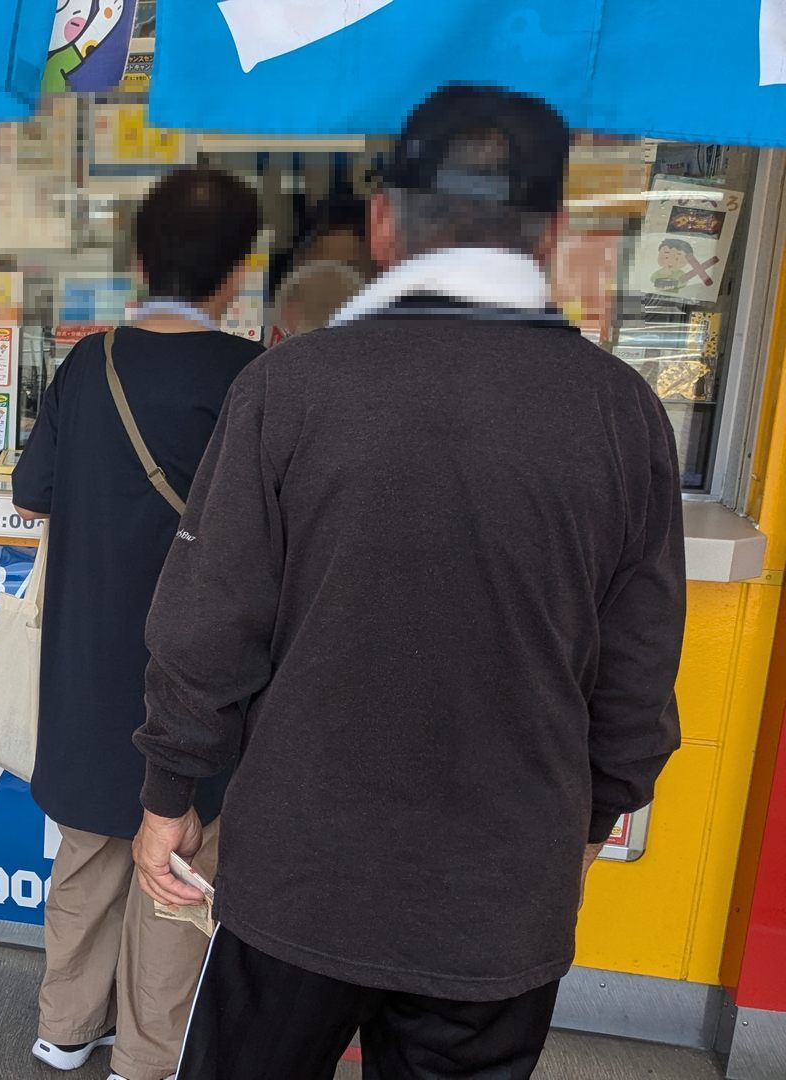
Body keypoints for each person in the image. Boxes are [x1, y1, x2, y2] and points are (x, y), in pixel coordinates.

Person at [131, 85, 684, 1079]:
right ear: (553, 233)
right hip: (503, 893)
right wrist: (593, 813)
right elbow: (639, 670)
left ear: (385, 222)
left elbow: (208, 627)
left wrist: (170, 791)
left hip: (299, 878)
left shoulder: (290, 387)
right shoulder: (623, 413)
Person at [12, 167, 265, 1080]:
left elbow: (32, 493)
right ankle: (151, 1054)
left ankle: (66, 1026)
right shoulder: (254, 378)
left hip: (87, 664)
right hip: (205, 671)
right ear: (238, 272)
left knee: (87, 857)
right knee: (179, 865)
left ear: (136, 260)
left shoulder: (89, 364)